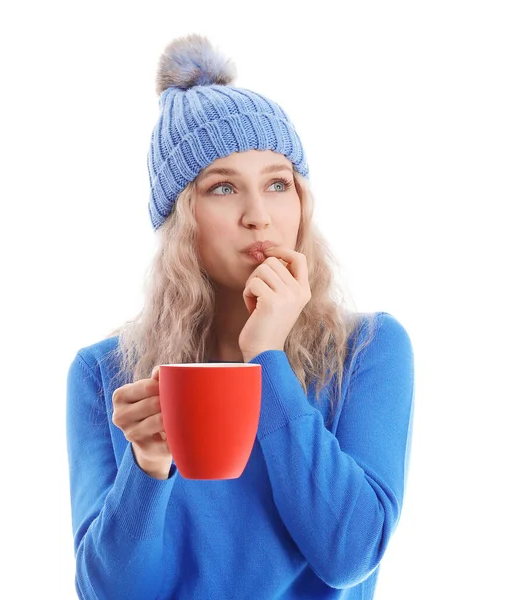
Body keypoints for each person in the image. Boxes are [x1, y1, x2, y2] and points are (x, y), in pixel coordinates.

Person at [66, 33, 415, 600]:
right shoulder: (105, 372)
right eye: (223, 188)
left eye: (279, 184)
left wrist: (268, 355)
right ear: (182, 219)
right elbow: (111, 593)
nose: (260, 216)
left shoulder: (369, 349)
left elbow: (348, 553)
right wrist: (148, 466)